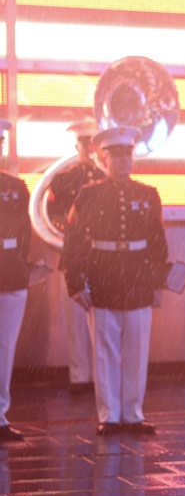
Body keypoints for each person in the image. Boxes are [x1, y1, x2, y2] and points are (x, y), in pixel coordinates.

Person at [62, 126, 169, 436]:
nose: (124, 163)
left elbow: (157, 241)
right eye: (116, 157)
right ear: (103, 159)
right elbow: (74, 242)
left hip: (138, 281)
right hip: (103, 278)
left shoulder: (148, 194)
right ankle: (109, 414)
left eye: (128, 156)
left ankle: (133, 413)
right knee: (105, 352)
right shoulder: (89, 194)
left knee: (137, 350)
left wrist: (159, 282)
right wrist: (76, 282)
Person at [48, 118, 104, 395]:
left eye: (91, 143)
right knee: (75, 322)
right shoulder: (64, 179)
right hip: (71, 255)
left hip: (100, 258)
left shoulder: (105, 178)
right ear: (76, 145)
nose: (88, 149)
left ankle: (99, 377)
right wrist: (66, 233)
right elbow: (52, 215)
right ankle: (79, 377)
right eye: (83, 144)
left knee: (102, 320)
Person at [0, 119, 30, 442]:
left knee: (5, 346)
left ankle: (0, 415)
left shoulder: (15, 188)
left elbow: (24, 234)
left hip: (9, 269)